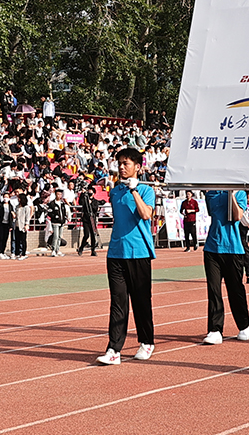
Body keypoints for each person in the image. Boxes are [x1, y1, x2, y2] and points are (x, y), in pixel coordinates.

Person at [97, 148, 156, 365]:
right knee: (118, 302)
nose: (122, 167)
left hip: (139, 252)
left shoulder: (147, 190)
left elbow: (146, 214)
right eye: (120, 163)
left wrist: (135, 191)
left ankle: (147, 341)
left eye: (126, 163)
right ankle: (114, 349)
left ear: (137, 167)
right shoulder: (115, 191)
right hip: (116, 252)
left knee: (141, 301)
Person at [201, 189, 249, 344]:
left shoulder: (240, 193)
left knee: (235, 289)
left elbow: (237, 216)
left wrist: (231, 194)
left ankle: (244, 324)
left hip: (233, 248)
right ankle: (215, 329)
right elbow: (213, 215)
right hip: (212, 248)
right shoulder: (210, 194)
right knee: (214, 290)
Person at [77, 185, 102, 256]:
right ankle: (81, 248)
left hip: (92, 220)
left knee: (93, 235)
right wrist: (82, 194)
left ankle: (93, 250)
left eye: (91, 193)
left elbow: (95, 209)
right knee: (86, 235)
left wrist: (91, 203)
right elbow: (80, 203)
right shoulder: (85, 200)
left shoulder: (95, 201)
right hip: (86, 219)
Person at [46, 188, 69, 257]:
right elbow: (49, 212)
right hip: (55, 222)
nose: (59, 195)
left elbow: (64, 211)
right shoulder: (52, 203)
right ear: (55, 194)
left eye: (61, 194)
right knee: (55, 236)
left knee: (59, 237)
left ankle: (57, 249)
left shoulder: (62, 203)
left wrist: (64, 218)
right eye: (58, 194)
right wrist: (55, 216)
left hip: (61, 222)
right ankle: (53, 250)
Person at [0, 191, 13, 259]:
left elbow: (11, 216)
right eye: (4, 197)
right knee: (0, 238)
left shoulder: (10, 206)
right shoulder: (0, 205)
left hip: (7, 224)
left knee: (5, 238)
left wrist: (11, 226)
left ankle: (3, 252)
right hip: (1, 224)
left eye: (7, 197)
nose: (5, 198)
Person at [13, 194, 31, 261]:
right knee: (17, 240)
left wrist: (27, 224)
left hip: (23, 226)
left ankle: (23, 254)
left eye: (19, 198)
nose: (18, 199)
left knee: (23, 240)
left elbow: (27, 217)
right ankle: (17, 253)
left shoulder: (26, 207)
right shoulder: (17, 206)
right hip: (17, 225)